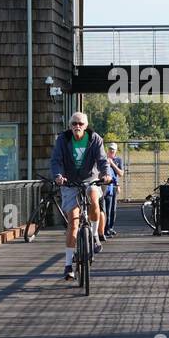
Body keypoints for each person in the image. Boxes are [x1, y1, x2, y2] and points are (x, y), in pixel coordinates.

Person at [50, 112, 112, 280]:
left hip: (90, 178)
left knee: (93, 199)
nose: (77, 126)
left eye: (80, 123)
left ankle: (93, 235)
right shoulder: (63, 139)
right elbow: (56, 161)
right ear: (70, 126)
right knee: (73, 223)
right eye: (74, 123)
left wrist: (105, 174)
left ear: (86, 126)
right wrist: (58, 176)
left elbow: (102, 160)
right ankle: (68, 265)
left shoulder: (95, 139)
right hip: (69, 182)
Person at [103, 143, 124, 237]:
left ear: (116, 151)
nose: (111, 151)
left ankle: (110, 227)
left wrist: (112, 164)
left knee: (113, 209)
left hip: (114, 186)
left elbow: (120, 173)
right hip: (105, 186)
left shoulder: (118, 160)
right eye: (110, 149)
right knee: (105, 209)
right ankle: (104, 228)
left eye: (113, 150)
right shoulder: (103, 159)